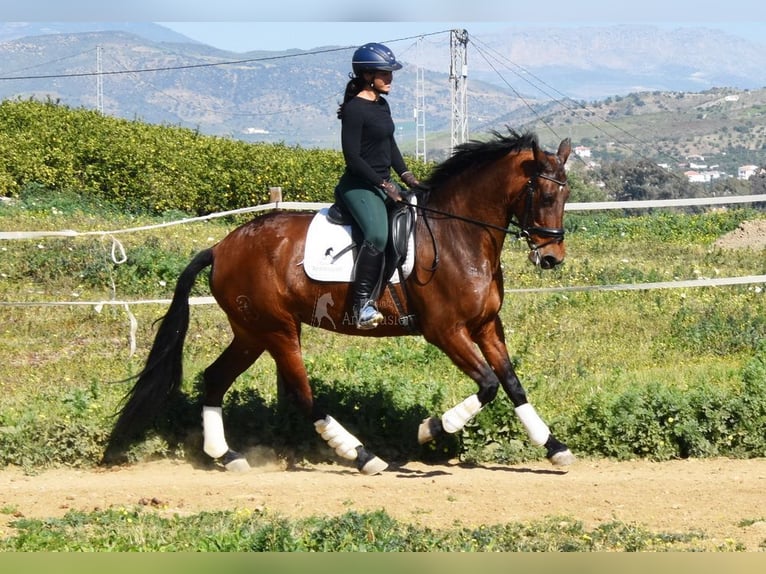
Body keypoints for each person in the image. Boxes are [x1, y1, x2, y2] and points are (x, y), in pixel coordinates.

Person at [334, 42, 419, 330]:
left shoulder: (382, 104)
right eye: (385, 74)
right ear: (368, 75)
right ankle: (361, 306)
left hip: (383, 185)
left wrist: (407, 176)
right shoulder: (355, 109)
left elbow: (389, 145)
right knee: (378, 235)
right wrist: (383, 183)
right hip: (358, 186)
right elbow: (353, 158)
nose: (390, 79)